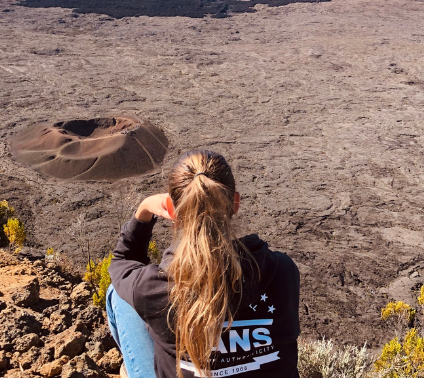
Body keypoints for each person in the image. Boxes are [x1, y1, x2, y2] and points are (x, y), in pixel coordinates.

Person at [106, 150, 300, 378]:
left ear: (171, 209)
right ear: (235, 203)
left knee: (118, 293)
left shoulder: (153, 289)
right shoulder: (282, 271)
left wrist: (145, 209)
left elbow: (123, 261)